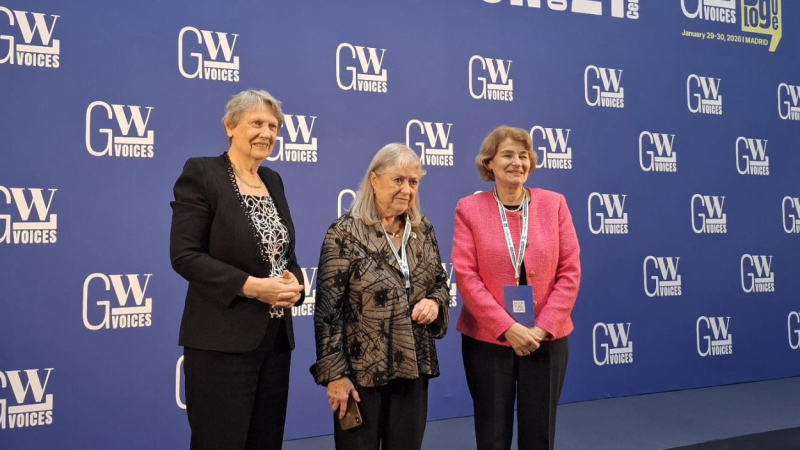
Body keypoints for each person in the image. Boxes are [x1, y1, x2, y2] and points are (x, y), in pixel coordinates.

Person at [170, 89, 305, 450]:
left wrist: (297, 284)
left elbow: (283, 255)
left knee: (266, 441)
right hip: (221, 341)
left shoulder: (272, 180)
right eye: (256, 123)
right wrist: (251, 287)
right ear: (230, 126)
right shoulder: (203, 173)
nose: (267, 133)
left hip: (275, 342)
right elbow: (185, 255)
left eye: (273, 126)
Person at [311, 143, 450, 450]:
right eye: (398, 180)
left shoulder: (423, 230)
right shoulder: (344, 233)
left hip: (413, 366)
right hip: (360, 375)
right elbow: (327, 312)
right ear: (374, 180)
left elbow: (440, 282)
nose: (407, 189)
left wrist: (435, 302)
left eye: (413, 182)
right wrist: (336, 376)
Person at [452, 125, 581, 450]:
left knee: (540, 433)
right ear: (489, 162)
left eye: (523, 155)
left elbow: (570, 271)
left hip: (546, 339)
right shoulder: (469, 209)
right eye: (507, 155)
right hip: (489, 340)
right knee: (493, 434)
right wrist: (507, 327)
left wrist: (542, 329)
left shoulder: (554, 204)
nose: (517, 162)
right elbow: (466, 276)